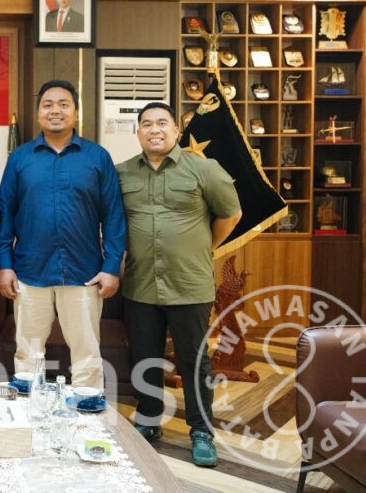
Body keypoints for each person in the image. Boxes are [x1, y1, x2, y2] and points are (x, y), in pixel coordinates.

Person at [116, 102, 241, 468]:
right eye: (146, 124)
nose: (154, 129)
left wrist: (207, 246)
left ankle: (201, 431)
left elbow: (231, 213)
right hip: (140, 283)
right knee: (144, 356)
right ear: (138, 132)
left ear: (176, 131)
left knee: (193, 360)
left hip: (188, 282)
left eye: (162, 123)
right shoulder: (122, 173)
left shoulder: (204, 169)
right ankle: (149, 419)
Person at [0, 80, 125, 389]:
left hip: (84, 272)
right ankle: (29, 410)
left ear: (76, 112)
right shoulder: (20, 158)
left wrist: (111, 267)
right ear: (38, 113)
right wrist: (5, 265)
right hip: (29, 272)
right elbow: (5, 214)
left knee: (86, 353)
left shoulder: (97, 157)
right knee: (27, 354)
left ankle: (86, 409)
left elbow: (114, 216)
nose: (55, 110)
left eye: (63, 104)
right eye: (47, 105)